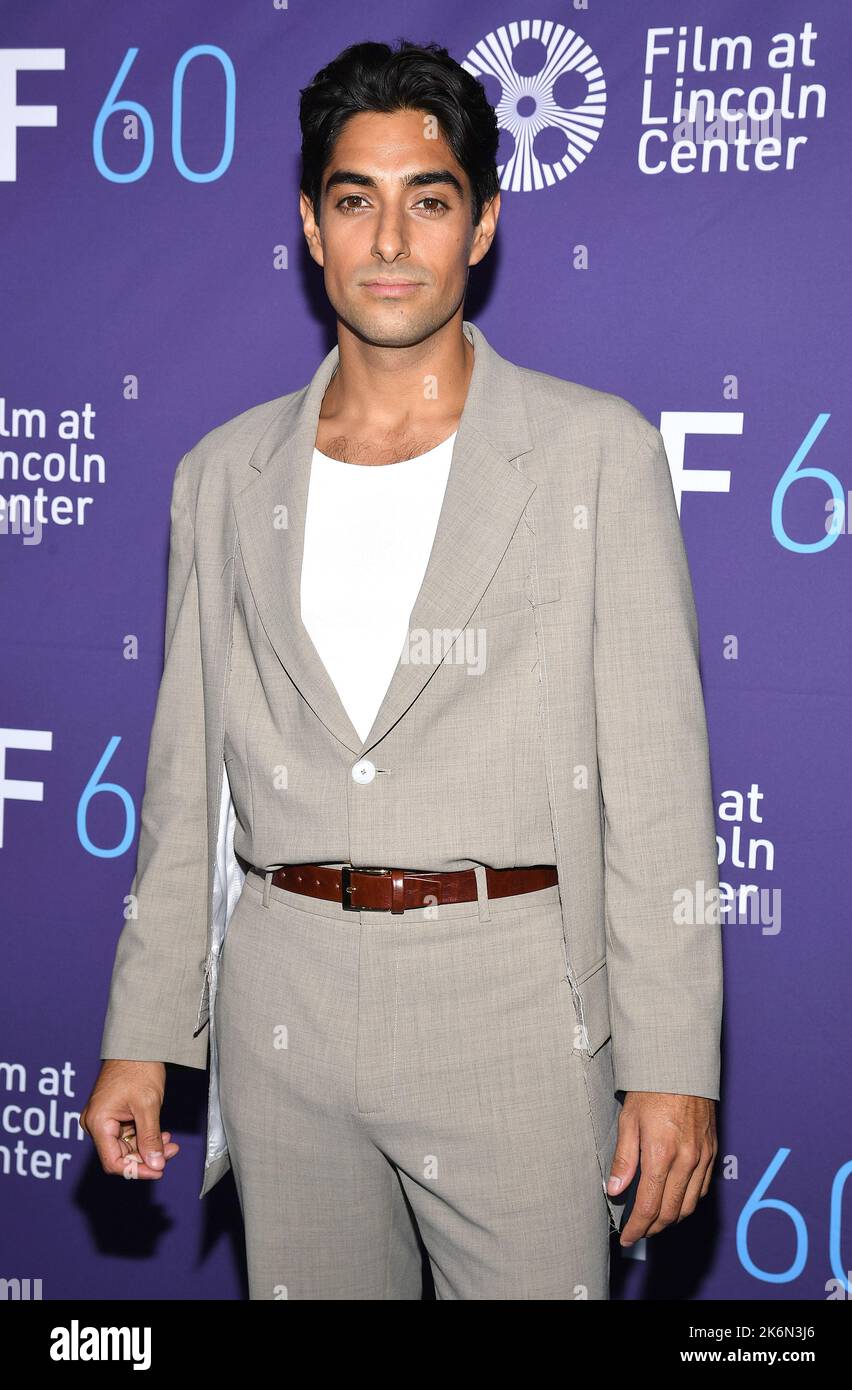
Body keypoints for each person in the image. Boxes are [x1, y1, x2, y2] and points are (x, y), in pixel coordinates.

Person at [81, 38, 723, 1300]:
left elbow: (655, 786)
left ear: (481, 224)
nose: (389, 237)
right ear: (310, 228)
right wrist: (145, 1034)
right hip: (287, 1012)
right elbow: (185, 784)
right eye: (353, 199)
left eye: (427, 199)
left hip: (515, 1015)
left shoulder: (597, 455)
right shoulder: (221, 475)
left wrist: (673, 1066)